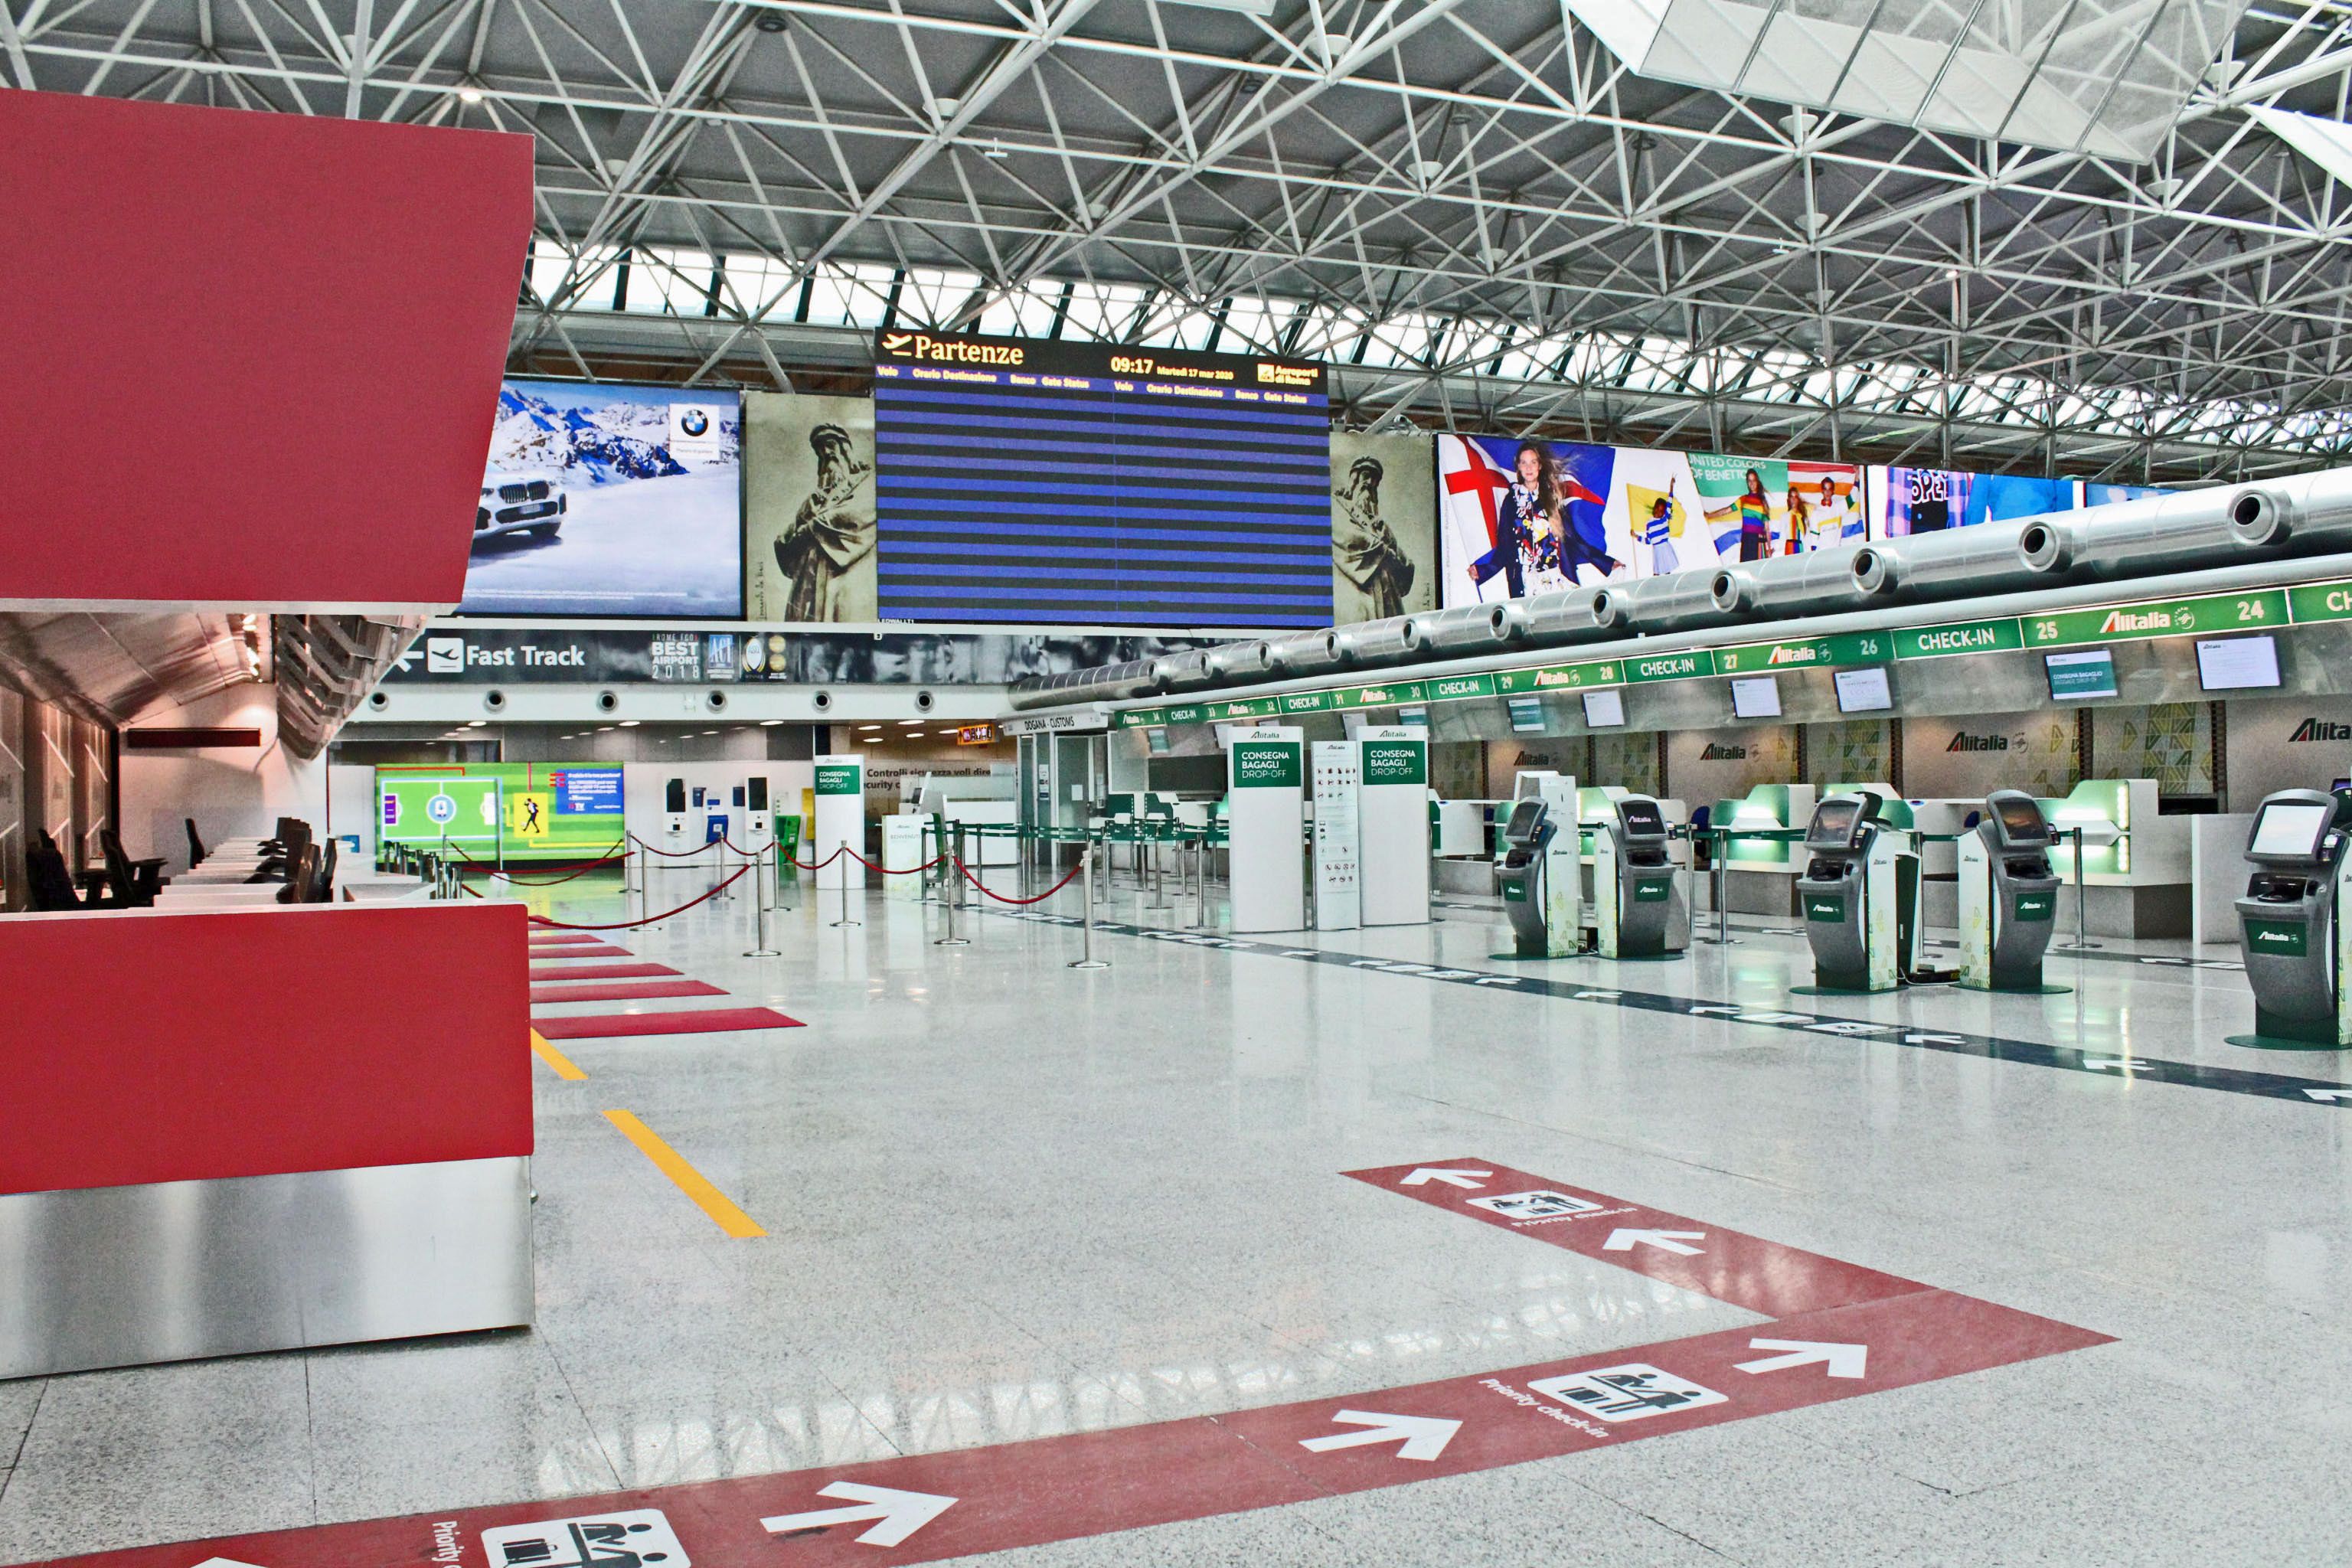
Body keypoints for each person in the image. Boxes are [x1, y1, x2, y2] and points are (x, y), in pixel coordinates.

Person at [772, 422, 876, 621]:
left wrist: (811, 527)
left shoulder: (866, 481)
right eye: (820, 450)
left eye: (830, 445)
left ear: (845, 448)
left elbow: (857, 517)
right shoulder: (814, 498)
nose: (826, 453)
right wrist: (802, 520)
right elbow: (784, 540)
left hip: (841, 578)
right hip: (807, 581)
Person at [1331, 454, 1417, 619]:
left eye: (1375, 480)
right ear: (1354, 478)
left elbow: (1405, 564)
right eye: (1366, 476)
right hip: (1358, 590)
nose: (1370, 483)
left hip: (1388, 593)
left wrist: (1392, 550)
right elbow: (1347, 538)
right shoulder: (1338, 504)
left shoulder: (1381, 525)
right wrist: (1384, 550)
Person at [1468, 441, 1557, 599]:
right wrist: (1483, 571)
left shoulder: (1552, 498)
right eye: (1524, 463)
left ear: (1540, 466)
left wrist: (1603, 561)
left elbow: (1569, 538)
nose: (1529, 468)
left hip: (1553, 578)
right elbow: (1505, 545)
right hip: (1523, 580)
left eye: (1533, 462)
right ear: (1518, 467)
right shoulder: (1512, 501)